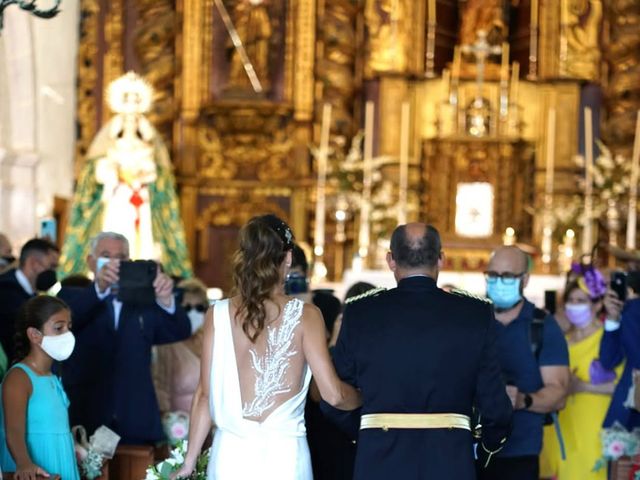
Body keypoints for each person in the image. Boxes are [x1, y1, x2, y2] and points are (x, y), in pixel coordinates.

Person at [175, 214, 361, 480]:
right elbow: (333, 395)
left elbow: (204, 395)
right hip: (286, 459)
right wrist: (366, 399)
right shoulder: (307, 315)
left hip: (230, 458)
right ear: (287, 258)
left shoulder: (217, 314)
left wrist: (189, 462)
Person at [322, 223, 513, 480]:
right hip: (450, 461)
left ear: (391, 260)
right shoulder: (474, 313)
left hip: (378, 461)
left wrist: (370, 431)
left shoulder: (361, 312)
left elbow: (334, 397)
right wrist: (485, 449)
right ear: (441, 259)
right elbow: (495, 406)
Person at [58, 231, 191, 445]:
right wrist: (99, 289)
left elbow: (180, 330)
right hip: (87, 418)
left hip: (135, 419)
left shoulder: (143, 303)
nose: (114, 263)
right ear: (91, 261)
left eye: (121, 258)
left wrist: (166, 299)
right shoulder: (71, 296)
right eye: (106, 255)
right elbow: (70, 322)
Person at [480, 245, 570, 480]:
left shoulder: (543, 326)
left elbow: (559, 394)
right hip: (470, 450)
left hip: (520, 453)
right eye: (493, 275)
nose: (499, 282)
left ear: (525, 279)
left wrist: (523, 400)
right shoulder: (472, 319)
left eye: (508, 276)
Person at [540, 276, 618, 480]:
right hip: (563, 426)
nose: (574, 306)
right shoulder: (560, 341)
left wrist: (582, 386)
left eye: (581, 301)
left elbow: (625, 388)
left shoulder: (609, 341)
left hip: (596, 425)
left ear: (598, 304)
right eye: (570, 300)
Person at [0, 296, 80, 479]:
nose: (67, 334)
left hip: (61, 462)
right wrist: (24, 462)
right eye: (59, 328)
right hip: (38, 469)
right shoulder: (19, 378)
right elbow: (13, 431)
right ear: (34, 335)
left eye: (69, 327)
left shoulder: (52, 376)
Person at [154, 277, 210, 413]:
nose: (194, 312)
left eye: (200, 307)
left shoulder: (213, 341)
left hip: (214, 423)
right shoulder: (167, 344)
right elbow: (160, 389)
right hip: (179, 425)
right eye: (187, 307)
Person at [0, 238, 60, 361]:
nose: (53, 273)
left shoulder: (30, 295)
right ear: (34, 263)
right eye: (51, 266)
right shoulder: (6, 292)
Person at [600, 271, 640, 430]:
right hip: (627, 417)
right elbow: (609, 360)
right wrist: (613, 318)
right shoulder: (630, 310)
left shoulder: (633, 310)